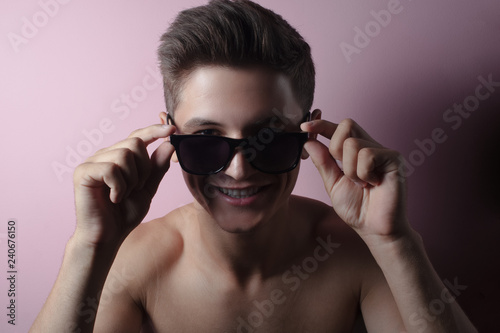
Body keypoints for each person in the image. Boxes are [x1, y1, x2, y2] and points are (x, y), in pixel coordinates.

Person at [30, 0, 477, 332]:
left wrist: (395, 241)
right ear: (167, 135)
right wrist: (89, 245)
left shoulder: (357, 254)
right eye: (206, 140)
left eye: (269, 139)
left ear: (307, 134)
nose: (240, 171)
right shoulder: (133, 263)